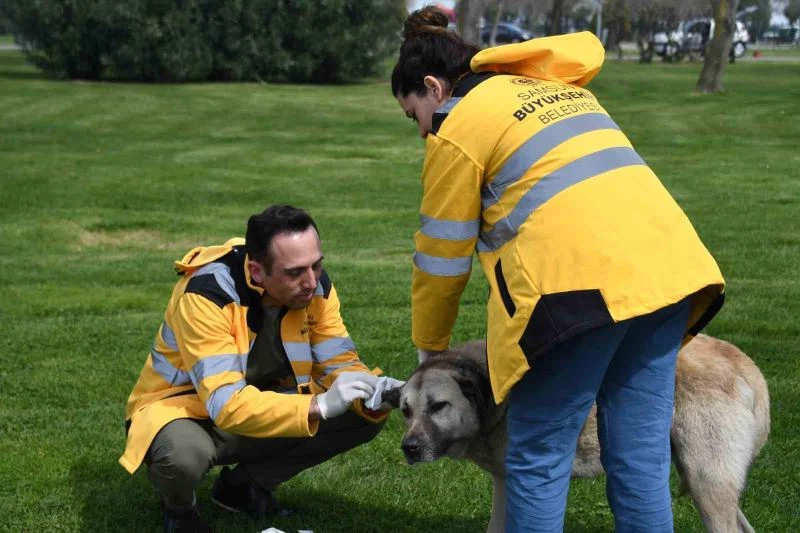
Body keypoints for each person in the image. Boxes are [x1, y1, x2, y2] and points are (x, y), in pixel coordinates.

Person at [391, 7, 725, 533]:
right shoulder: (566, 94)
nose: (421, 132)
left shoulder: (457, 128)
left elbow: (441, 259)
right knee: (640, 461)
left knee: (537, 460)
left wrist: (431, 350)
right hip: (671, 279)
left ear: (434, 88)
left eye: (414, 116)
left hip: (577, 301)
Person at [119, 205, 390, 533]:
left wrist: (380, 390)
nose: (311, 282)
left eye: (317, 265)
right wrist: (317, 405)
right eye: (295, 272)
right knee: (182, 457)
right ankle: (180, 510)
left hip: (260, 401)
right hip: (183, 412)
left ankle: (242, 489)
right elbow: (226, 405)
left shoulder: (314, 286)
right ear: (257, 272)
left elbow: (339, 361)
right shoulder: (207, 295)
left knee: (363, 411)